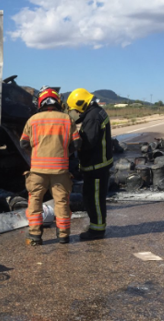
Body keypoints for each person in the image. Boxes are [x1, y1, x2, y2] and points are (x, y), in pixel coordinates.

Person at [20, 86, 81, 246]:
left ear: (40, 102)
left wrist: (36, 152)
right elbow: (77, 143)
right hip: (60, 170)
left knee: (35, 202)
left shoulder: (32, 120)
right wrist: (64, 152)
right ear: (58, 101)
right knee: (61, 203)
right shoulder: (67, 119)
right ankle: (63, 236)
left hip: (38, 171)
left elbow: (23, 143)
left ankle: (35, 236)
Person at [67, 88, 113, 240]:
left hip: (96, 166)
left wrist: (74, 143)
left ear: (80, 104)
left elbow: (88, 142)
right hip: (97, 165)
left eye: (73, 109)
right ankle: (96, 224)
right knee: (91, 197)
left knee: (95, 200)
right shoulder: (95, 112)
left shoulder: (92, 117)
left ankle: (97, 230)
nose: (73, 112)